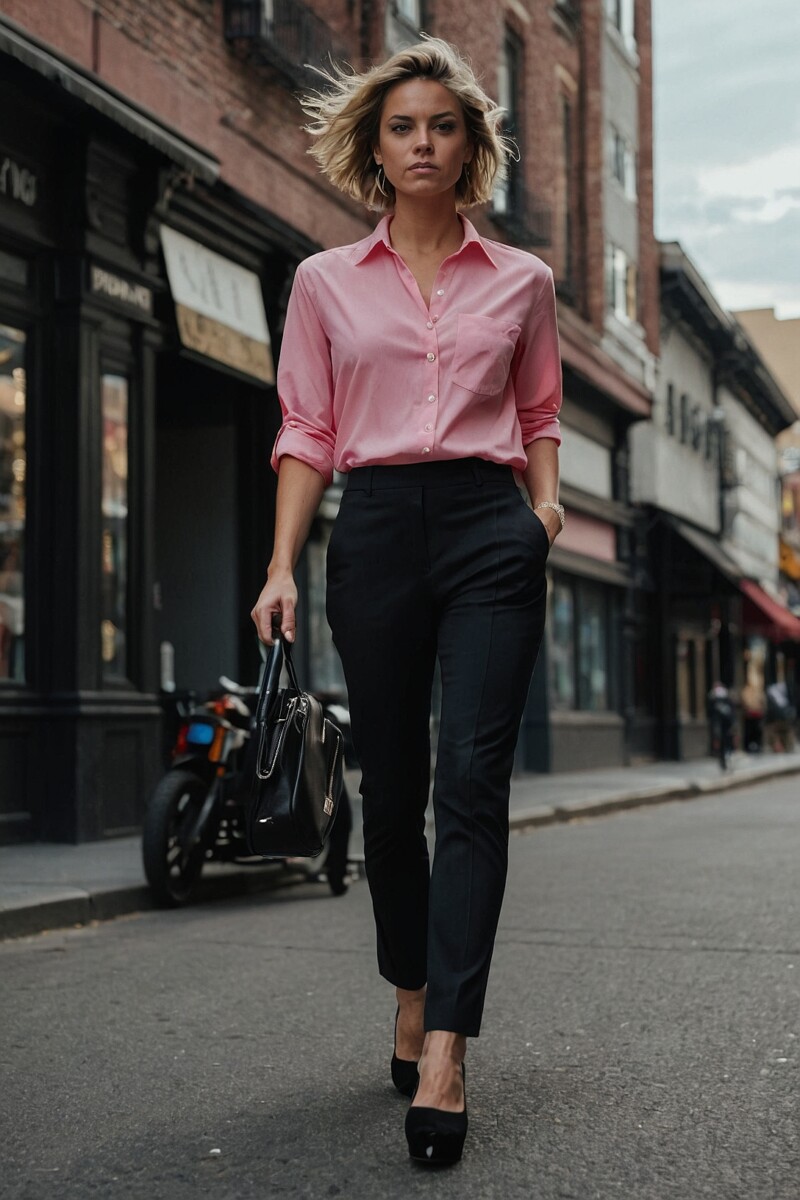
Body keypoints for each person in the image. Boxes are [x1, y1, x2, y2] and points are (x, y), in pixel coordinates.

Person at [251, 37, 563, 1165]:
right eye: (401, 126)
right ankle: (408, 981)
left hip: (488, 530)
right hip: (375, 527)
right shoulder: (323, 283)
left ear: (470, 145)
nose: (421, 142)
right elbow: (306, 430)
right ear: (374, 148)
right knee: (393, 790)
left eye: (441, 125)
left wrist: (542, 512)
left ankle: (447, 1047)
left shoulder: (520, 282)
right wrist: (282, 565)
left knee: (473, 783)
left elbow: (537, 415)